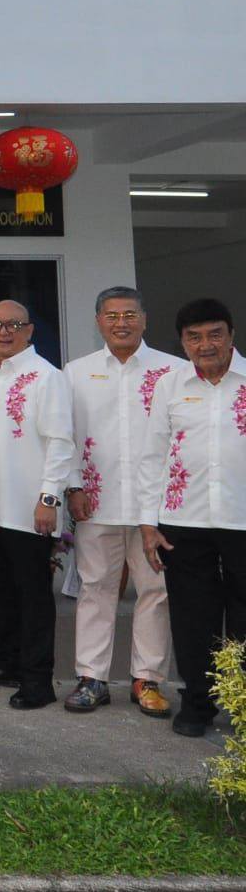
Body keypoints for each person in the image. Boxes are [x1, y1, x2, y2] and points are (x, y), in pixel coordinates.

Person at [62, 286, 178, 717]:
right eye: (112, 316)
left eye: (130, 314)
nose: (121, 323)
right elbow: (66, 436)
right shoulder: (76, 372)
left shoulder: (173, 370)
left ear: (145, 319)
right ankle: (91, 678)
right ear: (98, 322)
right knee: (96, 589)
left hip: (157, 505)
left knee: (156, 590)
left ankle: (147, 679)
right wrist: (73, 486)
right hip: (97, 500)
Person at [139, 297, 246, 737]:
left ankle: (239, 704)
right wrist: (148, 522)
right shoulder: (170, 385)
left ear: (231, 336)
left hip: (243, 520)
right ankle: (198, 705)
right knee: (192, 616)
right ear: (182, 342)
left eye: (214, 334)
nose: (206, 345)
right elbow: (152, 456)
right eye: (194, 337)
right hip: (185, 519)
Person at [0, 299, 74, 710]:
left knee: (32, 594)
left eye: (13, 324)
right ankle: (4, 661)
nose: (4, 331)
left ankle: (37, 679)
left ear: (30, 330)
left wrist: (49, 498)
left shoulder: (46, 377)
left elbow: (61, 443)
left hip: (29, 507)